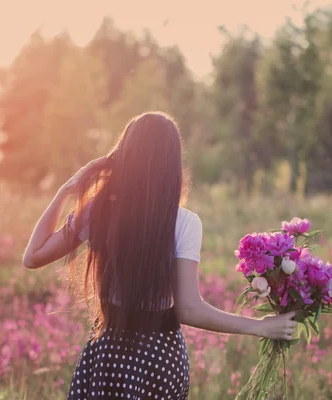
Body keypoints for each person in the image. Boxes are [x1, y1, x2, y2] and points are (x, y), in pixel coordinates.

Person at [22, 111, 297, 399]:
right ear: (172, 165)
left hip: (108, 357)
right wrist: (260, 327)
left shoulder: (97, 211)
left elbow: (33, 256)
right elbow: (188, 309)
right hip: (161, 360)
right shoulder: (186, 223)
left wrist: (67, 191)